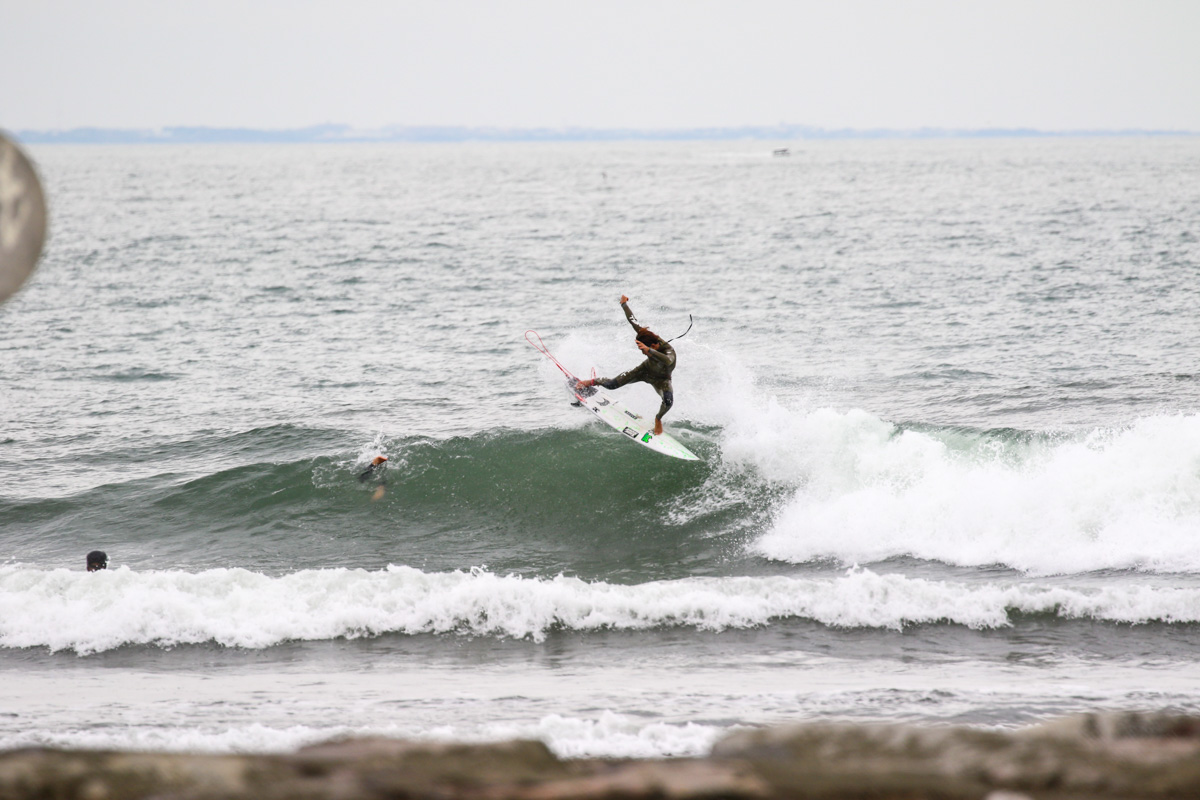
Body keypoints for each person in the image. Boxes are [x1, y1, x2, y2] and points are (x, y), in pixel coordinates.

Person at [579, 295, 677, 435]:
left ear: (654, 345)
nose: (643, 353)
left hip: (662, 380)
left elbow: (668, 361)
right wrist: (624, 304)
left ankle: (658, 419)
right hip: (644, 370)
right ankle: (591, 382)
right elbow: (633, 322)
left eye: (644, 350)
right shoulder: (647, 337)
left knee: (668, 401)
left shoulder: (668, 350)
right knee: (612, 384)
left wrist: (649, 350)